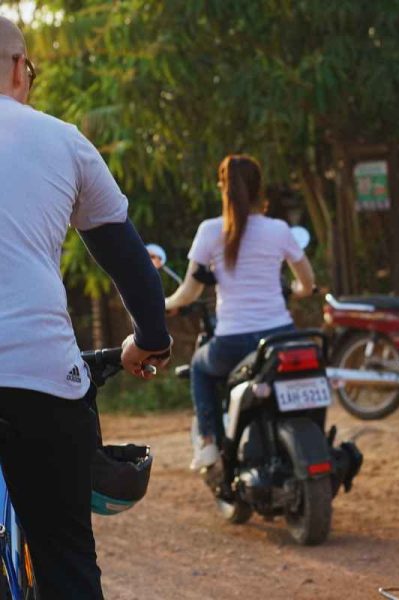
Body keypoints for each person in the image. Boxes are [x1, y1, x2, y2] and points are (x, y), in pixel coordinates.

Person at [0, 17, 172, 599]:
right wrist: (149, 339)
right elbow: (129, 264)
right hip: (40, 379)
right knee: (67, 558)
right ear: (22, 69)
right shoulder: (62, 139)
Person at [165, 154, 315, 470]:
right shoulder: (278, 229)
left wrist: (164, 305)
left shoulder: (210, 231)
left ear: (223, 188)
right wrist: (300, 292)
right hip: (280, 338)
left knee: (200, 368)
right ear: (260, 189)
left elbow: (190, 292)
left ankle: (207, 442)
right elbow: (306, 282)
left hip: (232, 343)